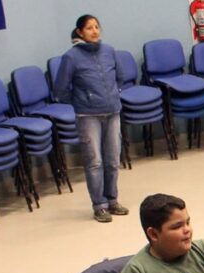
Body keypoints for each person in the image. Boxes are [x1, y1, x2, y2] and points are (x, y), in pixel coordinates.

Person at [53, 14, 128, 223]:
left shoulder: (109, 51)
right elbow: (60, 89)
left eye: (97, 27)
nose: (94, 31)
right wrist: (82, 101)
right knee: (94, 161)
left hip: (112, 111)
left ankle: (113, 200)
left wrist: (112, 95)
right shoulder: (71, 57)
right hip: (88, 116)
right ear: (80, 32)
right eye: (89, 28)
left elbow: (120, 77)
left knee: (113, 159)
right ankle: (99, 205)